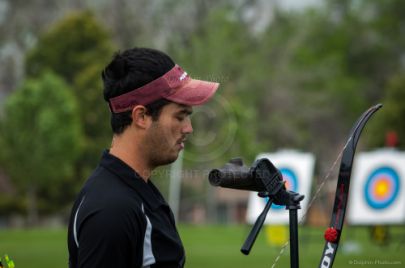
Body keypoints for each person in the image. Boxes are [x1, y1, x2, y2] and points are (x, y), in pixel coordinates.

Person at [67, 47, 219, 268]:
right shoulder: (113, 211)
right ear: (141, 116)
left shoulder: (133, 190)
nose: (189, 128)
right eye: (180, 116)